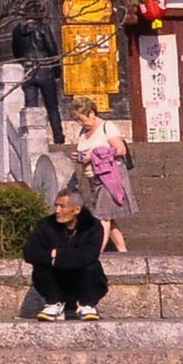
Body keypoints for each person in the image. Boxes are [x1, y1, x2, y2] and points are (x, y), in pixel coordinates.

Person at [26, 190, 109, 321]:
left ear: (76, 210)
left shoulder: (93, 226)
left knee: (92, 266)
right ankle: (54, 303)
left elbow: (89, 254)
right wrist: (64, 257)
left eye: (62, 206)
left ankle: (86, 304)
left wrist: (57, 254)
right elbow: (30, 252)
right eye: (56, 205)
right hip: (55, 281)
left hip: (82, 280)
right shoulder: (45, 224)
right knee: (42, 266)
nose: (57, 210)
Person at [67, 97, 136, 251]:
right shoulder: (83, 132)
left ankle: (96, 253)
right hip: (94, 177)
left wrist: (94, 154)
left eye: (81, 119)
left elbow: (120, 150)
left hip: (110, 177)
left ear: (91, 113)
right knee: (108, 216)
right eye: (77, 120)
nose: (80, 123)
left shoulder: (107, 127)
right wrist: (80, 156)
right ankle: (122, 250)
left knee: (103, 217)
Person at [14, 13, 65, 143]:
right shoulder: (43, 28)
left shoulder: (17, 30)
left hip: (28, 69)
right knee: (52, 106)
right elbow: (52, 50)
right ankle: (58, 137)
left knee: (31, 106)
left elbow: (16, 51)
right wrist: (57, 72)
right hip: (45, 69)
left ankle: (33, 137)